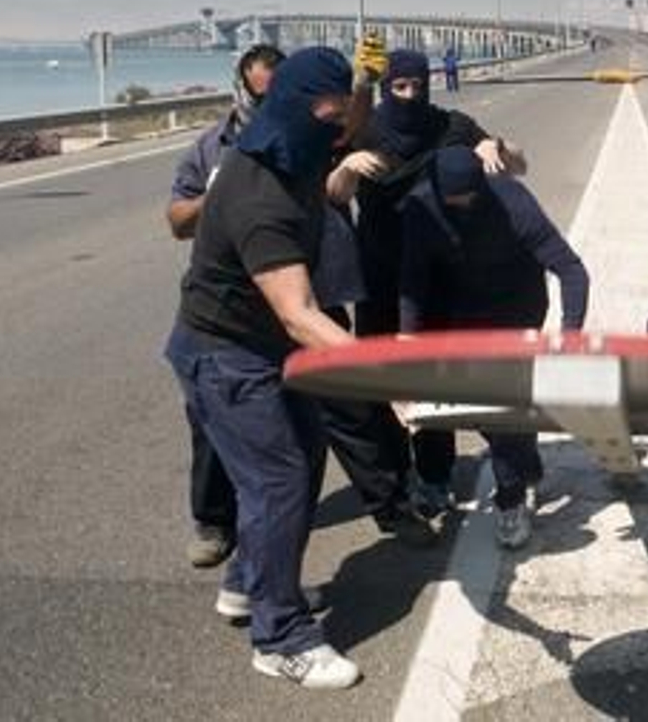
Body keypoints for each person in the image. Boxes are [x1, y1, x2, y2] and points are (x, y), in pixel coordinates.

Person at [163, 47, 362, 690]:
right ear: (300, 109)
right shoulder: (259, 189)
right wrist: (390, 378)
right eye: (329, 113)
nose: (339, 128)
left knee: (304, 458)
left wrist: (369, 84)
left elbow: (351, 123)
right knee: (277, 480)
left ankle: (248, 583)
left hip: (262, 345)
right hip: (224, 355)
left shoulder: (298, 145)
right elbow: (302, 313)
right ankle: (280, 638)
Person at [327, 46, 523, 529]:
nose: (409, 96)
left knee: (433, 382)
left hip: (437, 275)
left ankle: (435, 477)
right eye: (399, 87)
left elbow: (519, 165)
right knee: (380, 383)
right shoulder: (365, 129)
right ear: (388, 85)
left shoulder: (449, 125)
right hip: (378, 277)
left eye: (417, 86)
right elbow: (331, 196)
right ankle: (393, 477)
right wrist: (348, 168)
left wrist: (494, 147)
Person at [398, 146, 589, 549]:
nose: (464, 206)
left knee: (503, 413)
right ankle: (526, 465)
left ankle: (511, 500)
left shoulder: (512, 202)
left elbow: (572, 271)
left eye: (471, 198)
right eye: (455, 202)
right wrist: (407, 342)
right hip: (464, 310)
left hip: (518, 310)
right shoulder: (420, 208)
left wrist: (569, 337)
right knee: (486, 413)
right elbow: (413, 282)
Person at [166, 44, 284, 568]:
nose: (265, 105)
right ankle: (214, 522)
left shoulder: (301, 140)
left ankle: (392, 501)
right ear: (241, 88)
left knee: (338, 411)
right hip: (224, 304)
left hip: (290, 296)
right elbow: (175, 221)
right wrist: (216, 196)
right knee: (211, 421)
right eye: (257, 93)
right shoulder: (211, 147)